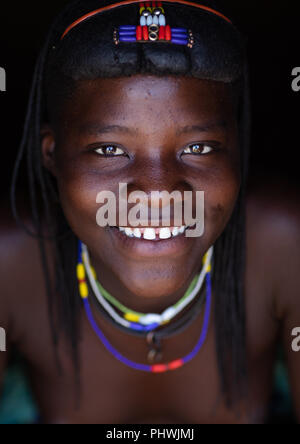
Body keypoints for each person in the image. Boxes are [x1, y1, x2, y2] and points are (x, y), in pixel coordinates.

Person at [0, 0, 300, 424]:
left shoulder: (284, 245)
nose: (157, 193)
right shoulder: (11, 265)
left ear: (236, 150)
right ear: (53, 155)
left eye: (198, 148)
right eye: (110, 150)